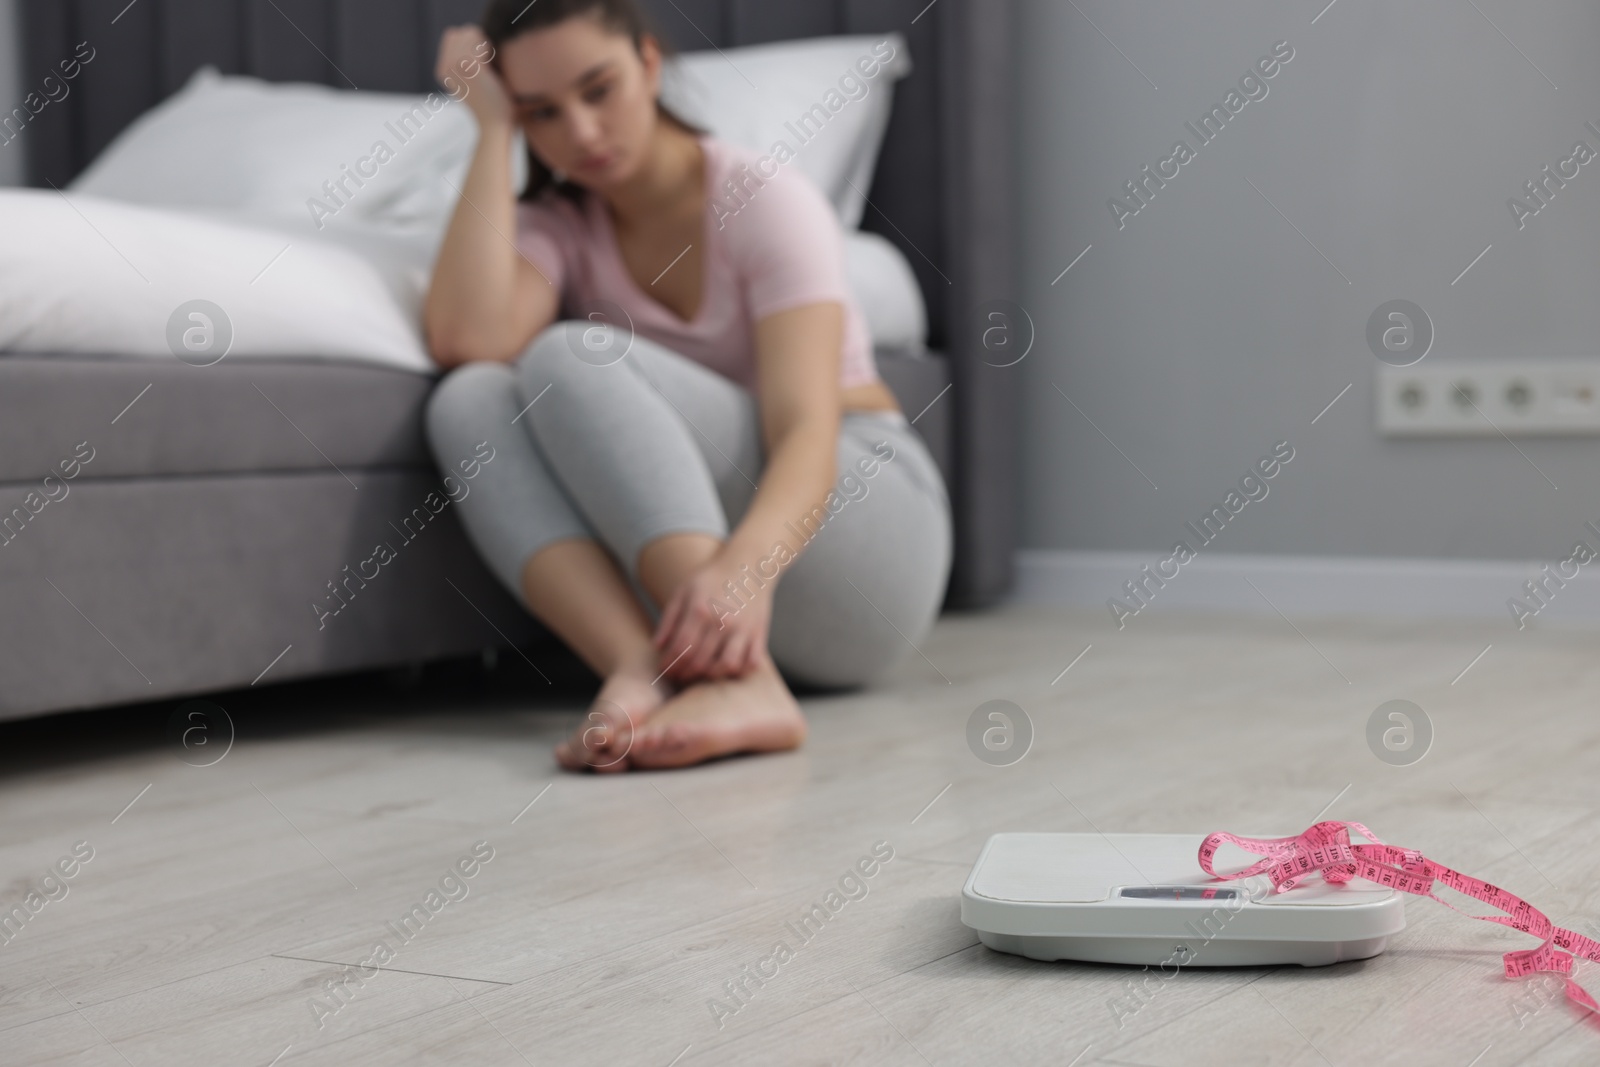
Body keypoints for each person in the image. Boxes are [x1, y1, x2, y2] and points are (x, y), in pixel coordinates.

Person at [423, 0, 950, 771]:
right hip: (713, 604)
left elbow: (807, 428)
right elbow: (466, 340)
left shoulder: (765, 199)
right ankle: (646, 671)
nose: (581, 134)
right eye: (543, 113)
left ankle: (749, 683)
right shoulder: (563, 224)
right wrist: (490, 129)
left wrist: (746, 570)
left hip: (863, 545)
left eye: (598, 90)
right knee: (466, 397)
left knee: (570, 355)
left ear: (647, 62)